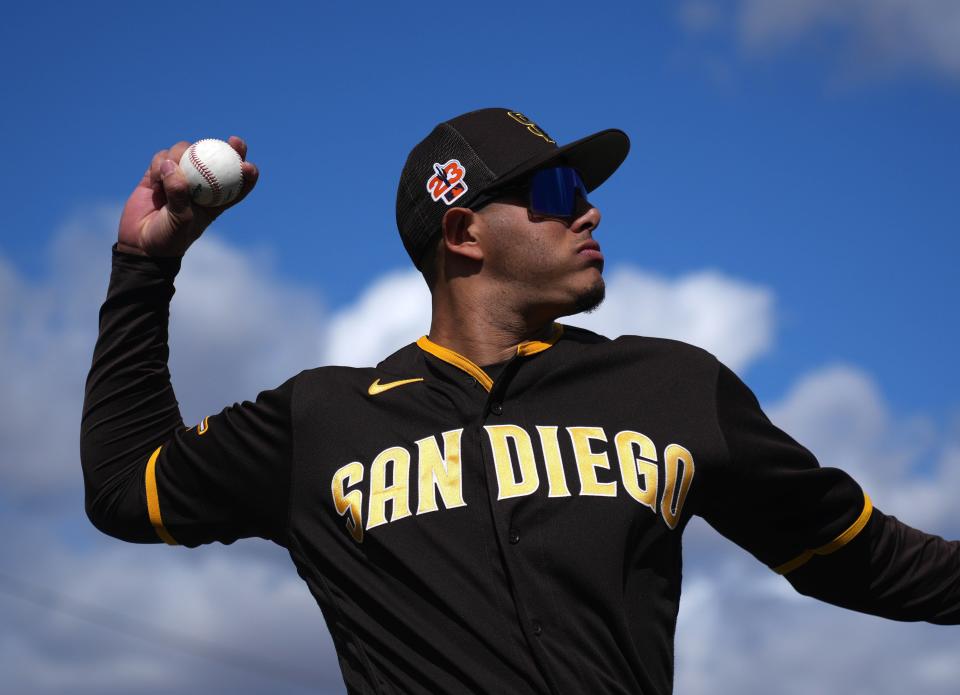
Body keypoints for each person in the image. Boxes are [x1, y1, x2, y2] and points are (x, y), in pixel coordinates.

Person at [81, 108, 959, 694]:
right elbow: (126, 483)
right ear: (463, 232)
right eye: (555, 195)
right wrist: (146, 266)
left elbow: (864, 556)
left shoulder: (674, 388)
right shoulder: (322, 421)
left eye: (585, 194)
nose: (589, 214)